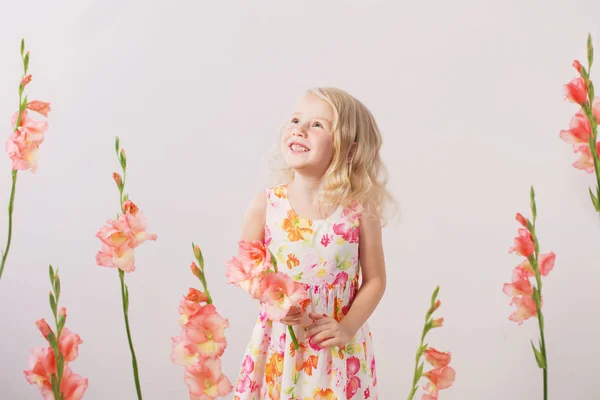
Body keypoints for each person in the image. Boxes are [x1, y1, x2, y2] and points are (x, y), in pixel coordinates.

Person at [233, 87, 395, 399]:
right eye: (295, 120)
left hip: (336, 346)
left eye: (317, 125)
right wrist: (272, 302)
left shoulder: (359, 212)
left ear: (348, 149)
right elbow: (245, 268)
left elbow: (375, 280)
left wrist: (347, 328)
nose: (299, 129)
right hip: (281, 342)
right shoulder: (266, 205)